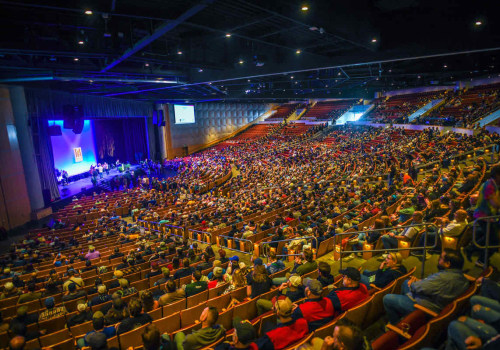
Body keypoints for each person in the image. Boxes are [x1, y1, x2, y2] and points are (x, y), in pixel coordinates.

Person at [383, 249, 470, 325]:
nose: (438, 259)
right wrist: (421, 281)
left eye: (440, 258)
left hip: (425, 308)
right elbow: (432, 285)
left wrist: (413, 283)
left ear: (447, 264)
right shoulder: (463, 278)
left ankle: (396, 323)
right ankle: (403, 313)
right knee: (405, 282)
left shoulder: (443, 278)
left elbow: (417, 287)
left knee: (387, 298)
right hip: (433, 298)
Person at [293, 269, 369, 331]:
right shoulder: (363, 287)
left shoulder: (339, 298)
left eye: (343, 276)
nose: (342, 277)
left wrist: (300, 307)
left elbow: (322, 306)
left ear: (349, 280)